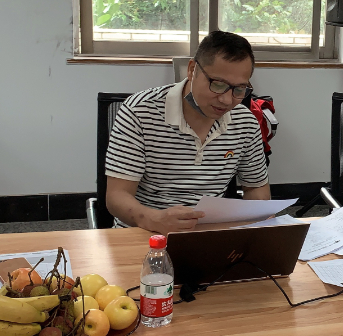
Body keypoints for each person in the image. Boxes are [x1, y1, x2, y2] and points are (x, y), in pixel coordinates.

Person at [104, 31, 271, 233]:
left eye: (239, 89)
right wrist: (154, 220)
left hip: (208, 234)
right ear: (192, 70)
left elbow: (255, 187)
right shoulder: (140, 111)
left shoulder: (245, 122)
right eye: (218, 85)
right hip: (146, 231)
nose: (226, 100)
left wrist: (260, 222)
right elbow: (117, 196)